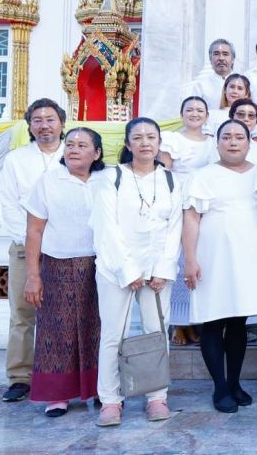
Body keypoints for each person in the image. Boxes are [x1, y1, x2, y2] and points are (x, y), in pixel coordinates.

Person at [91, 118, 183, 426]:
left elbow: (174, 229)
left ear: (159, 144)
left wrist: (162, 269)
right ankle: (110, 400)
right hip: (115, 269)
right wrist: (128, 270)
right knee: (113, 335)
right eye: (138, 137)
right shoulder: (110, 177)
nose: (145, 143)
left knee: (157, 333)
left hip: (157, 272)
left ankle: (157, 397)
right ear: (128, 144)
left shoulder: (171, 180)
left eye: (151, 137)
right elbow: (107, 227)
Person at [183, 119, 257, 413]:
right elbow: (191, 218)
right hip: (212, 256)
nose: (233, 142)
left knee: (238, 322)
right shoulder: (203, 175)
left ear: (250, 143)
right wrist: (190, 258)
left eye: (239, 137)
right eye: (227, 137)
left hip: (247, 256)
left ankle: (235, 383)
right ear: (218, 142)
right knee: (213, 321)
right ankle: (220, 388)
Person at [23, 127, 104, 416]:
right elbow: (34, 230)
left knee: (98, 329)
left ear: (96, 153)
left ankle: (99, 389)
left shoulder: (107, 181)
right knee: (56, 331)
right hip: (58, 264)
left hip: (99, 265)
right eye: (69, 144)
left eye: (82, 145)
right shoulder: (48, 181)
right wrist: (33, 276)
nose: (73, 149)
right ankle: (58, 395)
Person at [0, 98, 66, 404]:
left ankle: (65, 375)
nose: (44, 125)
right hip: (26, 247)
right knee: (23, 314)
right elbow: (11, 205)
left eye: (50, 119)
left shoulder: (75, 153)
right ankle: (20, 377)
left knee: (68, 314)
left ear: (62, 123)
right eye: (37, 120)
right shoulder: (16, 160)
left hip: (69, 248)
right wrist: (28, 244)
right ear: (29, 126)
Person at [158, 96, 215, 347]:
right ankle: (179, 324)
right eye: (189, 109)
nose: (194, 113)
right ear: (182, 114)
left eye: (199, 110)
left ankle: (194, 323)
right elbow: (164, 172)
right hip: (179, 202)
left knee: (200, 260)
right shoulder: (172, 139)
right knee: (180, 262)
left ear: (206, 115)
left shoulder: (213, 143)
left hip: (205, 203)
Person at [186, 39, 236, 107]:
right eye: (216, 54)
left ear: (233, 59)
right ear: (210, 58)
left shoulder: (243, 83)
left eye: (225, 54)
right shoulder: (201, 85)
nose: (221, 58)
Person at [229, 98, 257, 164]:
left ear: (256, 121)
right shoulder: (218, 145)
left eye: (251, 116)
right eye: (241, 114)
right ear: (232, 117)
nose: (246, 119)